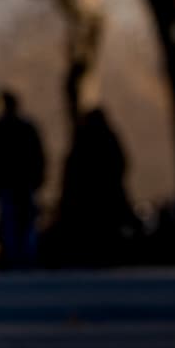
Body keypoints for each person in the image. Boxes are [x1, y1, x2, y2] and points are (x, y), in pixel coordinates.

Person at [56, 106, 137, 267]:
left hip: (89, 196)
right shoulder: (107, 137)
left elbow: (72, 168)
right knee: (106, 228)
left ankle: (95, 255)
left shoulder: (84, 137)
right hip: (105, 195)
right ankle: (106, 255)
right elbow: (121, 163)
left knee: (94, 228)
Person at [0, 89, 46, 268]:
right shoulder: (27, 128)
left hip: (9, 183)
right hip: (24, 182)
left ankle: (14, 256)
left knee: (11, 222)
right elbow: (39, 156)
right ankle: (26, 255)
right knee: (25, 222)